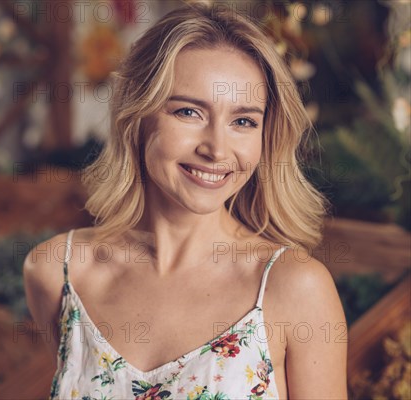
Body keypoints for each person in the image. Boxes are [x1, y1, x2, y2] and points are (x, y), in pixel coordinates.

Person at [24, 3, 347, 399]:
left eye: (243, 121)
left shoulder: (295, 288)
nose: (216, 149)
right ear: (137, 116)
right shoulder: (57, 272)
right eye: (189, 112)